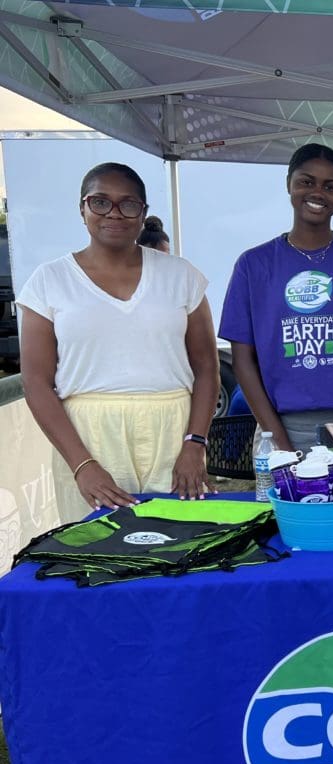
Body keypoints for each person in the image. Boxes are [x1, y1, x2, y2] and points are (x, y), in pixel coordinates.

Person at [18, 162, 219, 521]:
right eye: (100, 202)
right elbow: (35, 382)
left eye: (128, 204)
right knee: (99, 557)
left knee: (175, 549)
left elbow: (207, 369)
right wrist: (82, 465)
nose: (114, 213)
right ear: (82, 209)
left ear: (143, 214)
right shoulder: (49, 280)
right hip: (88, 435)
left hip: (172, 430)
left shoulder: (181, 275)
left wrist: (195, 445)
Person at [219, 144, 333, 456]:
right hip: (281, 425)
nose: (317, 192)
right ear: (289, 183)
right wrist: (277, 440)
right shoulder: (254, 264)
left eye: (330, 186)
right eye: (307, 181)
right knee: (286, 507)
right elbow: (243, 361)